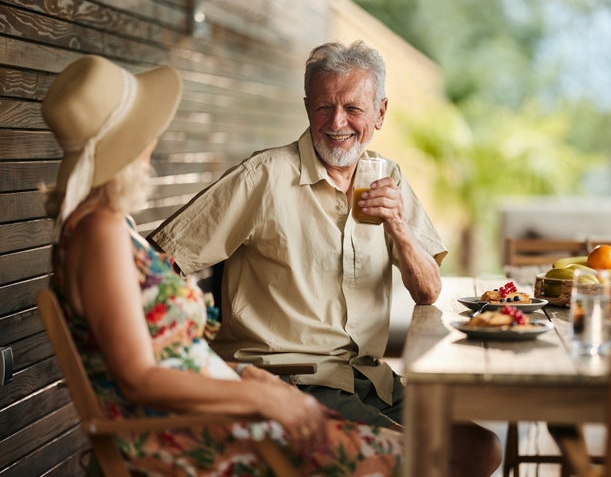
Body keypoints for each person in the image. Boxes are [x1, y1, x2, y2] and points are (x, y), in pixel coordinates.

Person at [150, 41, 502, 475]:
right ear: (306, 108)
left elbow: (428, 290)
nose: (337, 123)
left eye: (353, 108)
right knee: (415, 458)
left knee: (481, 449)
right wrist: (196, 354)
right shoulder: (263, 177)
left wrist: (400, 228)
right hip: (290, 380)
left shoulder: (386, 177)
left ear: (380, 113)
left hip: (365, 377)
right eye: (323, 107)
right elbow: (157, 259)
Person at [41, 54, 405, 476]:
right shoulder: (99, 232)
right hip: (198, 437)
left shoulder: (104, 225)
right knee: (408, 459)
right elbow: (138, 378)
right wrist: (262, 399)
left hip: (224, 415)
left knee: (415, 449)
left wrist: (248, 376)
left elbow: (171, 354)